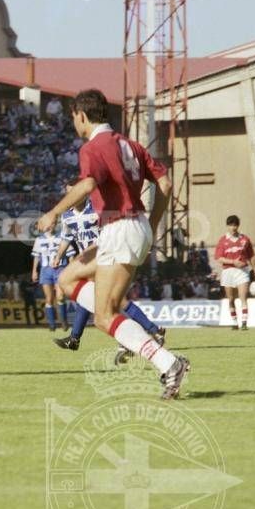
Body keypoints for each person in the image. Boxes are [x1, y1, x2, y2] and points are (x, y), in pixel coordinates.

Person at [37, 89, 188, 399]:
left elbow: (88, 184)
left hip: (120, 228)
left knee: (104, 317)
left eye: (74, 118)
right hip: (131, 228)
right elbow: (166, 184)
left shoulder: (93, 147)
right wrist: (154, 222)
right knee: (67, 278)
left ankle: (168, 363)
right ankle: (126, 328)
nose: (74, 124)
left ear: (81, 115)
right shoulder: (129, 144)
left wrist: (54, 212)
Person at [52, 181, 166, 361]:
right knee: (91, 297)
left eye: (74, 193)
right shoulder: (67, 217)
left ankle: (152, 330)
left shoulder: (97, 209)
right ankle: (76, 338)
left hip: (106, 255)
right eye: (68, 194)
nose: (71, 198)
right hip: (88, 261)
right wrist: (59, 256)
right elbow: (66, 238)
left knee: (114, 300)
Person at [214, 215, 255, 330]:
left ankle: (244, 322)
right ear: (227, 226)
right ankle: (234, 322)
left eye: (235, 225)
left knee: (243, 297)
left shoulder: (244, 239)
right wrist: (233, 261)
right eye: (231, 225)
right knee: (231, 299)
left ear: (238, 226)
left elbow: (251, 255)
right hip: (228, 271)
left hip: (242, 271)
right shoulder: (223, 240)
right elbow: (218, 258)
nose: (233, 227)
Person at [31, 228, 67, 332]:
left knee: (60, 296)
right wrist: (34, 271)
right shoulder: (39, 239)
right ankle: (52, 325)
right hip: (45, 270)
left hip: (59, 269)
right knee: (49, 298)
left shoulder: (62, 238)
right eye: (49, 224)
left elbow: (70, 254)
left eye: (53, 223)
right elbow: (36, 256)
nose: (51, 226)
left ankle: (63, 321)